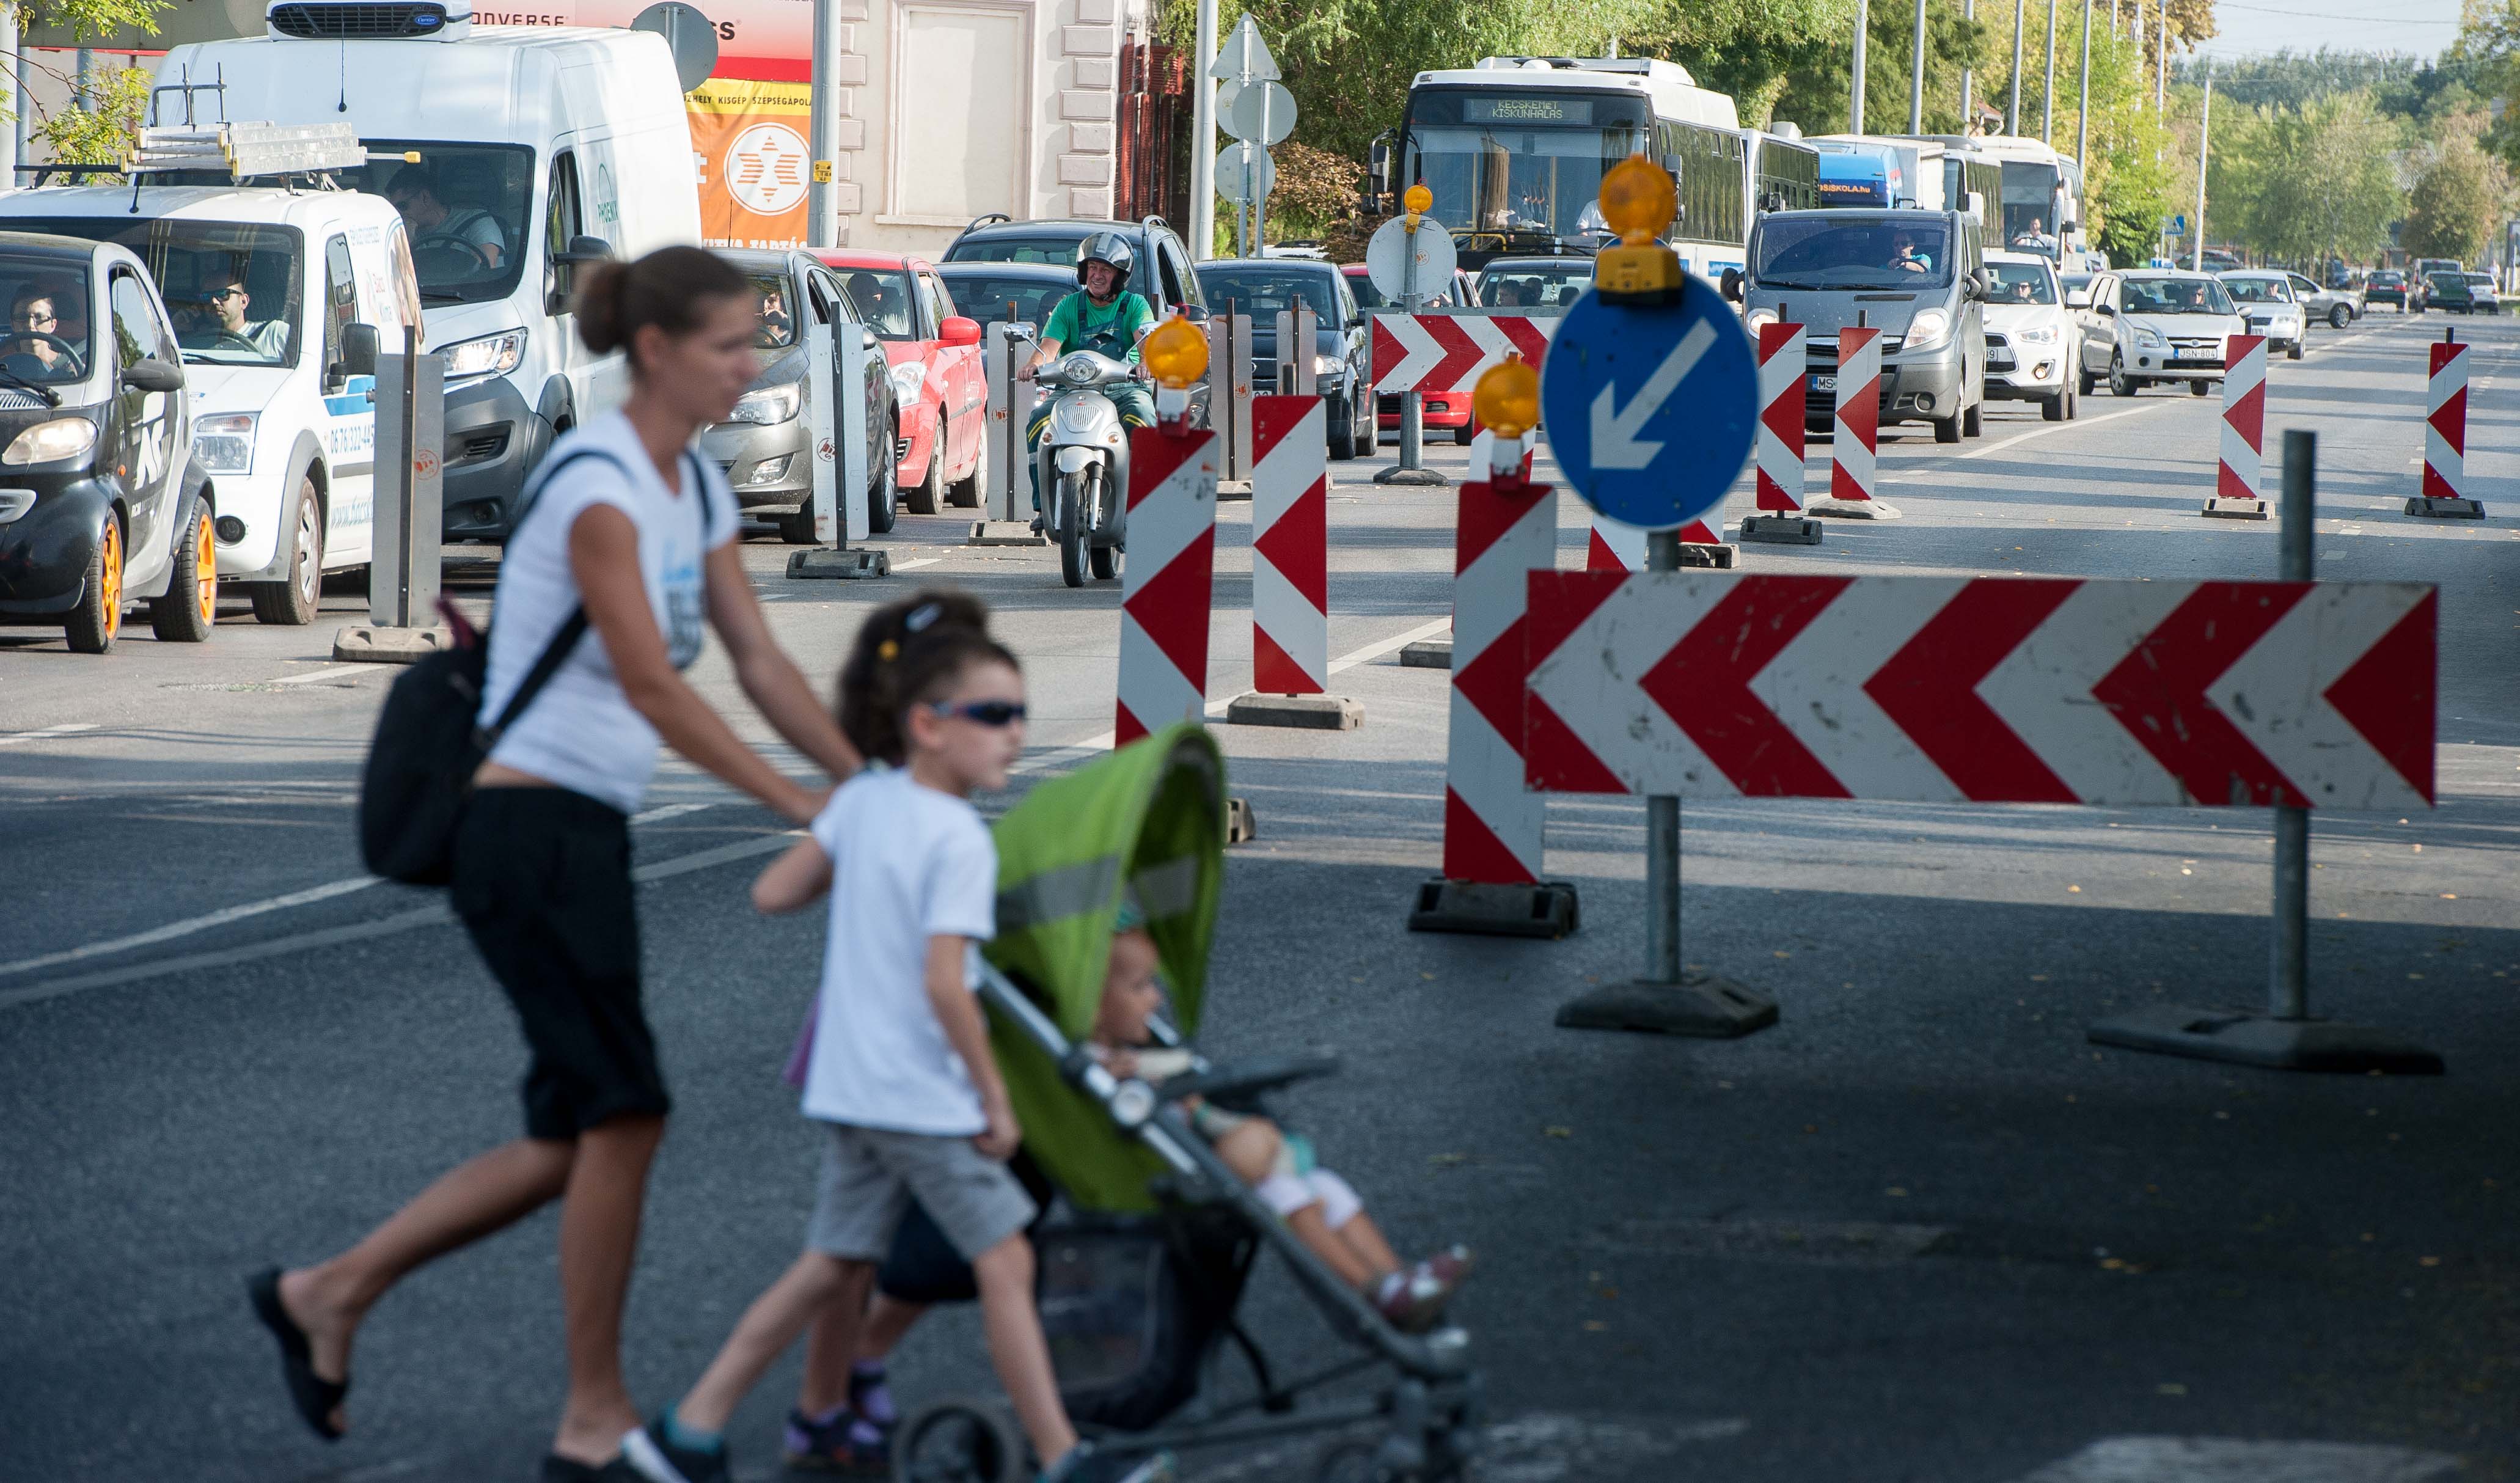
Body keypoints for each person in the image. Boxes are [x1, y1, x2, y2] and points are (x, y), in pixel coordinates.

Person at [247, 245, 863, 1483]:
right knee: (624, 1110)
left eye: (757, 342)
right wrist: (792, 801)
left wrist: (869, 781)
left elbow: (758, 661)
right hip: (522, 834)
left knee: (578, 1132)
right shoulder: (596, 484)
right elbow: (645, 675)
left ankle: (329, 1291)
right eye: (731, 345)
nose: (754, 366)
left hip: (580, 833)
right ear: (655, 352)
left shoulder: (692, 487)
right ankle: (592, 1414)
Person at [622, 592, 1171, 1483]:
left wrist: (848, 849)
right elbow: (944, 983)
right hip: (917, 1092)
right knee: (1005, 1255)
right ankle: (1066, 1457)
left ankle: (688, 1426)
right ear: (926, 723)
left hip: (848, 1083)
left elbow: (774, 893)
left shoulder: (866, 801)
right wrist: (995, 1097)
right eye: (992, 714)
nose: (1014, 732)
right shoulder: (958, 838)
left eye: (1020, 713)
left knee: (828, 1264)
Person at [777, 907, 1476, 1471]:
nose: (1156, 998)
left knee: (1321, 1189)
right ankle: (1374, 1295)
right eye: (1139, 987)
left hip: (1170, 1166)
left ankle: (1392, 1281)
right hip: (1147, 1176)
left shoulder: (1140, 1058)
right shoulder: (1106, 1070)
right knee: (921, 1256)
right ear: (1094, 1001)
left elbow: (1196, 1106)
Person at [1019, 233, 1153, 515]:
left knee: (1142, 414)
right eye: (1092, 268)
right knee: (1038, 420)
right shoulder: (1069, 306)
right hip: (1073, 389)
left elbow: (1146, 340)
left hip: (1123, 389)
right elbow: (1048, 347)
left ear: (1119, 276)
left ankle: (1138, 499)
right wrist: (1033, 364)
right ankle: (1042, 505)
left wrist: (1146, 363)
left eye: (1105, 269)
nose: (1097, 275)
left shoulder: (1135, 305)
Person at [387, 165, 508, 269]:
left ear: (425, 197)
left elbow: (485, 269)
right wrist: (406, 240)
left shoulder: (478, 221)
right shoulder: (405, 233)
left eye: (402, 206)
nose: (398, 213)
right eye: (393, 209)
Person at [181, 268, 290, 359]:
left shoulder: (274, 333)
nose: (214, 301)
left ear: (243, 301)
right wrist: (178, 329)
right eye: (207, 296)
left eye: (223, 294)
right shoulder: (197, 342)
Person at [3, 287, 65, 370]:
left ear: (53, 325)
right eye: (22, 317)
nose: (30, 324)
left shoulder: (73, 369)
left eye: (39, 317)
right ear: (13, 325)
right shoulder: (4, 368)